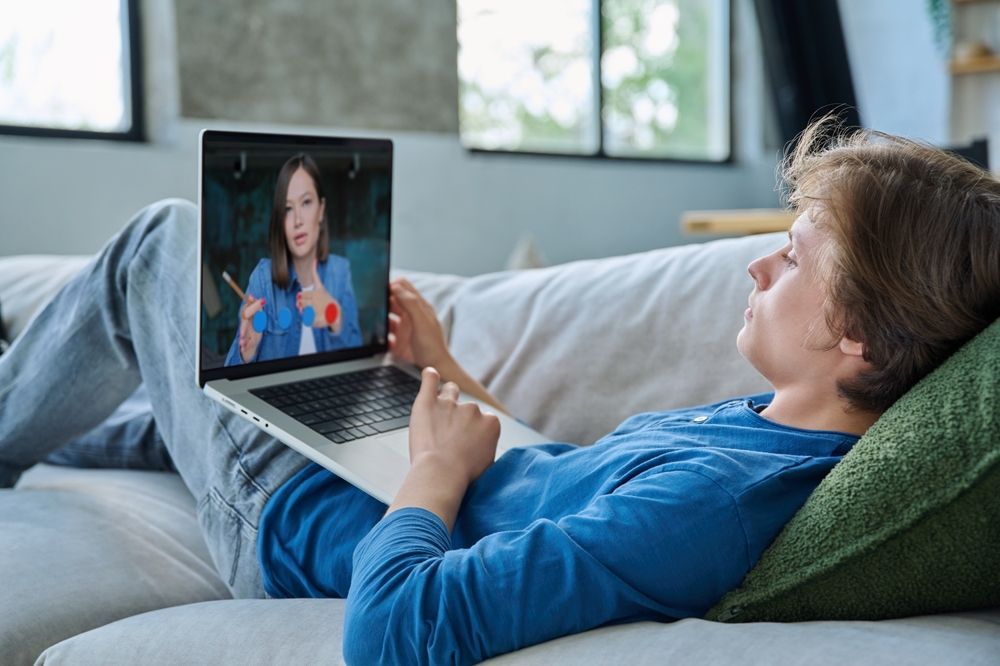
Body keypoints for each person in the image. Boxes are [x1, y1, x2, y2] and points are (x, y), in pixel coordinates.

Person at [0, 119, 998, 665]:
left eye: (790, 259)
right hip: (375, 457)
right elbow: (556, 483)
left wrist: (432, 475)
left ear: (857, 337)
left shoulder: (712, 506)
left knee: (162, 242)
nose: (755, 270)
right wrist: (445, 378)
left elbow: (394, 635)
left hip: (293, 518)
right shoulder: (768, 437)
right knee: (204, 386)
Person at [224, 152, 363, 366]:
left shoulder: (340, 272)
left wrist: (335, 319)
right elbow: (228, 382)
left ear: (321, 210)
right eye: (288, 209)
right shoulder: (263, 279)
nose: (297, 220)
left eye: (306, 202)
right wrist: (246, 353)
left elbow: (361, 368)